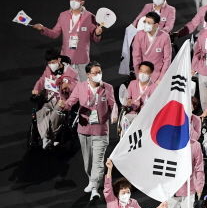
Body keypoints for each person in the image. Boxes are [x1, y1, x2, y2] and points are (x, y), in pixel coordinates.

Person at [62, 62, 116, 200]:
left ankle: (95, 187)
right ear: (88, 75)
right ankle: (92, 182)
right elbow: (71, 101)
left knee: (98, 162)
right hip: (84, 129)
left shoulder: (108, 88)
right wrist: (65, 105)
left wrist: (115, 113)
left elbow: (113, 105)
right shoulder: (80, 87)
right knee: (88, 162)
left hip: (101, 130)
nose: (98, 75)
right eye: (95, 73)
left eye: (100, 72)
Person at [32, 0, 103, 81]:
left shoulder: (90, 17)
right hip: (65, 59)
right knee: (67, 89)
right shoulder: (63, 15)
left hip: (82, 60)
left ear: (82, 2)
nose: (74, 1)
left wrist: (97, 34)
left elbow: (96, 39)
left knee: (82, 89)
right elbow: (54, 34)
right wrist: (43, 29)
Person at [164, 115, 204, 208]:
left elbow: (199, 168)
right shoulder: (166, 144)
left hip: (189, 188)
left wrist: (199, 187)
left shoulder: (195, 146)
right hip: (171, 188)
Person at [31, 49, 79, 149]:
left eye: (53, 62)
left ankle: (51, 137)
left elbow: (78, 87)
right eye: (49, 63)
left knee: (54, 115)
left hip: (63, 100)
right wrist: (36, 89)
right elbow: (41, 80)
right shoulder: (48, 70)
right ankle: (45, 138)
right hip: (50, 98)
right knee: (42, 113)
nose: (51, 65)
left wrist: (69, 86)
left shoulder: (71, 72)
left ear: (59, 59)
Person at [130, 12, 172, 82]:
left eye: (149, 23)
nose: (146, 25)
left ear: (156, 25)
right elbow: (136, 57)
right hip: (143, 75)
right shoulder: (139, 35)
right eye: (145, 22)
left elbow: (167, 60)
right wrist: (138, 76)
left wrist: (161, 79)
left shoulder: (165, 37)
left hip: (158, 75)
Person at [120, 62, 156, 134]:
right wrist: (128, 101)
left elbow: (154, 103)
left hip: (145, 114)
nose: (142, 74)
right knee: (125, 119)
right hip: (132, 112)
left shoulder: (154, 87)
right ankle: (125, 138)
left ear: (151, 73)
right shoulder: (133, 83)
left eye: (146, 72)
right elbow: (128, 97)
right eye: (141, 71)